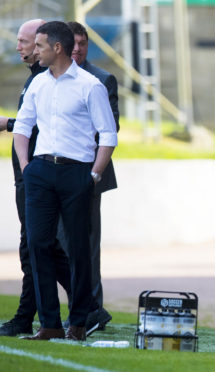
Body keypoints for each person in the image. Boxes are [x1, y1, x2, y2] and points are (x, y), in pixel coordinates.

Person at [13, 21, 117, 341]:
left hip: (78, 173)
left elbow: (108, 135)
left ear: (57, 48)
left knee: (78, 250)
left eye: (40, 46)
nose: (35, 51)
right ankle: (50, 323)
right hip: (40, 173)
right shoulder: (37, 85)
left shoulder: (90, 85)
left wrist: (94, 175)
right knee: (38, 244)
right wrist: (27, 166)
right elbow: (23, 128)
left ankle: (79, 322)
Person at [0, 19, 72, 338]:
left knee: (37, 247)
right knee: (37, 246)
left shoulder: (50, 78)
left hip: (40, 174)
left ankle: (40, 315)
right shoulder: (35, 79)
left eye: (26, 42)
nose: (20, 47)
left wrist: (8, 123)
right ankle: (81, 307)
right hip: (28, 174)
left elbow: (48, 125)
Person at [65, 21, 119, 333]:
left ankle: (90, 311)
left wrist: (93, 172)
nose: (77, 49)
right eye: (72, 43)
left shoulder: (102, 79)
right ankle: (87, 309)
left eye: (82, 44)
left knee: (87, 244)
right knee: (56, 244)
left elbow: (110, 129)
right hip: (53, 174)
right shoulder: (48, 79)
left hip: (88, 175)